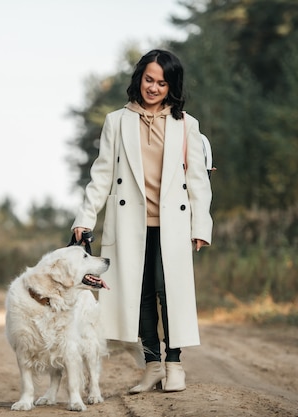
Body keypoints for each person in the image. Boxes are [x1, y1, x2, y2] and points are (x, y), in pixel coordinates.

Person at [71, 49, 212, 393]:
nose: (153, 88)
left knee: (169, 290)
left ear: (171, 87)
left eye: (162, 83)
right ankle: (152, 365)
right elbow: (102, 175)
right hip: (130, 222)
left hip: (173, 224)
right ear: (139, 79)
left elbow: (197, 180)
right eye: (149, 79)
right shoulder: (117, 121)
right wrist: (85, 218)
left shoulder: (186, 124)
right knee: (142, 294)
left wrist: (200, 225)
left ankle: (174, 364)